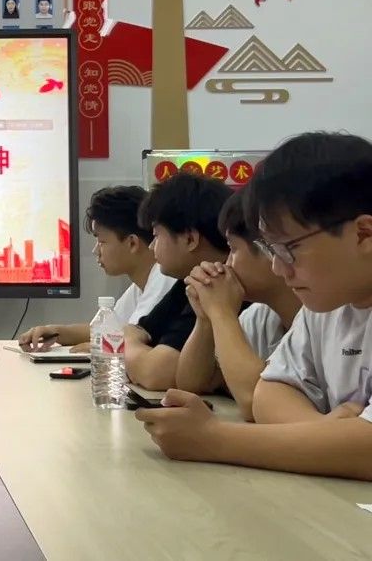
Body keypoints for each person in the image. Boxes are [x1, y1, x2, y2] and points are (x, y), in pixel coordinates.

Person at [137, 132, 372, 482]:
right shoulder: (326, 306)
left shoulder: (325, 298)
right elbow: (268, 395)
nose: (278, 267)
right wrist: (330, 436)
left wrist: (213, 439)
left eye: (288, 248)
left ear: (364, 234)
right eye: (272, 249)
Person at [174, 189, 301, 420]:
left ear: (271, 250)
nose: (227, 264)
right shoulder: (259, 316)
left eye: (233, 249)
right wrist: (205, 319)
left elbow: (255, 403)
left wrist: (221, 312)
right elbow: (192, 382)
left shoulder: (320, 316)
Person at [19, 185, 173, 352]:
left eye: (101, 241)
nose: (95, 250)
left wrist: (98, 350)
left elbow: (126, 345)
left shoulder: (163, 281)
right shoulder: (141, 285)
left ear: (132, 243)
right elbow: (105, 331)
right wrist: (54, 331)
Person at [124, 173, 232, 391]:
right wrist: (134, 343)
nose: (152, 246)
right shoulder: (189, 282)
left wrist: (129, 344)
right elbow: (138, 331)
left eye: (156, 235)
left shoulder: (220, 284)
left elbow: (157, 373)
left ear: (190, 239)